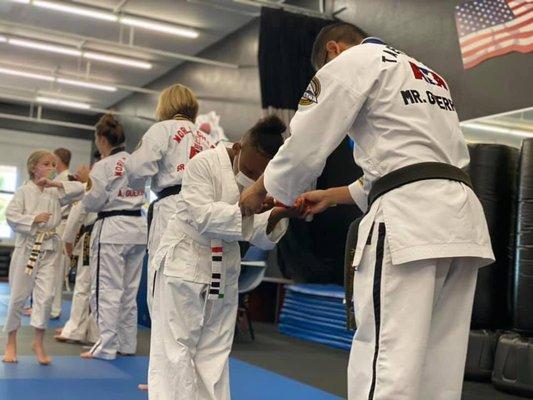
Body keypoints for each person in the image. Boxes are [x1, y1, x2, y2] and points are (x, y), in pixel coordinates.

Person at [239, 23, 494, 400]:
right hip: (460, 220)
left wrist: (259, 191)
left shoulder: (355, 60)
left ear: (332, 51)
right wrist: (331, 195)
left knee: (387, 359)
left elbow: (305, 143)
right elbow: (410, 162)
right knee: (439, 366)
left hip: (410, 221)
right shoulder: (429, 75)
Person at [149, 116, 302, 400]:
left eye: (260, 177)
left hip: (225, 267)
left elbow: (256, 234)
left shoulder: (262, 182)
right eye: (250, 169)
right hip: (186, 261)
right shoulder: (204, 163)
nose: (253, 179)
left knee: (215, 352)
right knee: (176, 349)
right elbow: (202, 216)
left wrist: (280, 212)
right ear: (239, 147)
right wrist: (248, 207)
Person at [124, 83, 214, 391]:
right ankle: (167, 376)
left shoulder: (162, 130)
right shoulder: (208, 139)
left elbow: (136, 170)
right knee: (190, 306)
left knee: (164, 300)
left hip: (172, 214)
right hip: (206, 217)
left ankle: (170, 383)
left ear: (164, 106)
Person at [2, 150, 84, 365]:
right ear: (33, 167)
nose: (51, 168)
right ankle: (11, 341)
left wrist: (56, 184)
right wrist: (33, 219)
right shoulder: (23, 192)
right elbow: (11, 216)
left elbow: (83, 190)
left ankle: (38, 341)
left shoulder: (55, 192)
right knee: (18, 298)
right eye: (46, 164)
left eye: (53, 164)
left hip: (50, 249)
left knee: (46, 297)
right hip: (27, 248)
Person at [80, 114, 147, 360]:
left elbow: (92, 201)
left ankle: (106, 346)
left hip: (113, 228)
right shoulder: (137, 161)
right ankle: (126, 343)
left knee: (107, 289)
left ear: (100, 139)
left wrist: (87, 183)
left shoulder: (102, 166)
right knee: (129, 291)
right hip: (138, 228)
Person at [55, 153, 101, 344]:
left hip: (91, 238)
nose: (79, 170)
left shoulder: (88, 188)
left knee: (83, 285)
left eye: (84, 168)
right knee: (100, 287)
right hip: (105, 236)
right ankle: (90, 331)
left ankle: (75, 329)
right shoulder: (99, 187)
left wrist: (68, 243)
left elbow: (75, 218)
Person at [51, 147, 73, 319]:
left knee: (57, 269)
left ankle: (55, 308)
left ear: (57, 160)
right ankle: (48, 306)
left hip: (63, 224)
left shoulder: (67, 178)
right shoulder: (59, 178)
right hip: (57, 225)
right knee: (51, 268)